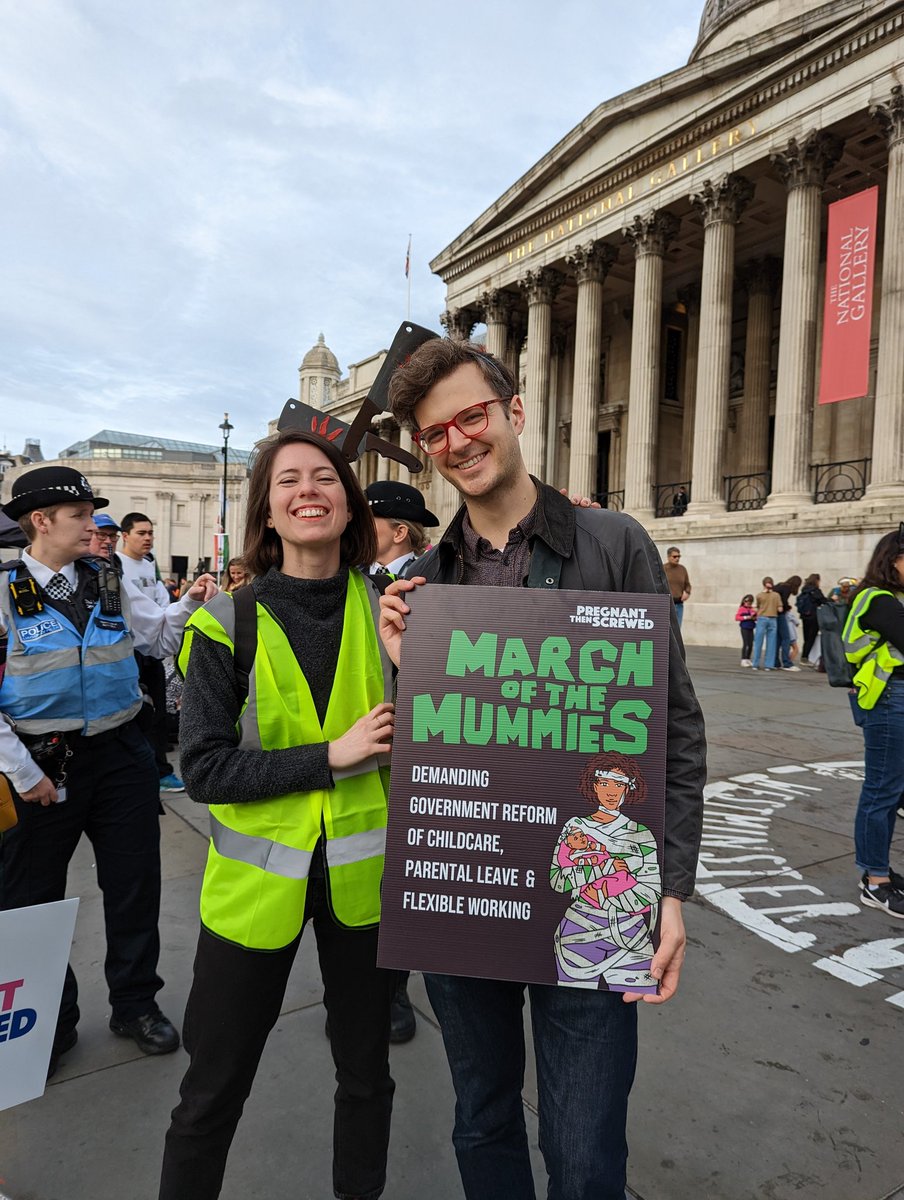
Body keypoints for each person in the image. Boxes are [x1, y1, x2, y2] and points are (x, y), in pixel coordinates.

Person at [379, 337, 705, 1200]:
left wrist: (671, 892)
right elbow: (428, 759)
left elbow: (673, 730)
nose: (458, 441)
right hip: (470, 902)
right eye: (435, 432)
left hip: (593, 910)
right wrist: (398, 665)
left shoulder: (612, 542)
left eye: (471, 416)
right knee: (481, 1118)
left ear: (513, 413)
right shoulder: (422, 581)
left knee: (586, 1148)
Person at [159, 429, 399, 1200]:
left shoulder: (395, 612)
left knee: (367, 1077)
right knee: (211, 1091)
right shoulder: (225, 622)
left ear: (348, 501)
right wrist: (332, 755)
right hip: (254, 896)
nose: (308, 491)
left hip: (364, 891)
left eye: (325, 478)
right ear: (266, 510)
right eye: (289, 479)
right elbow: (201, 768)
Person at [0, 466, 217, 1076]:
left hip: (121, 754)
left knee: (134, 884)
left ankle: (135, 1003)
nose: (93, 525)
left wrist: (187, 607)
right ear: (41, 521)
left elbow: (151, 638)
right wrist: (23, 773)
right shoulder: (2, 591)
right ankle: (49, 1022)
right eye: (79, 515)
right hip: (41, 763)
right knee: (29, 899)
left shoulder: (108, 577)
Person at [364, 479, 439, 1044]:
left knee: (411, 874)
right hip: (365, 743)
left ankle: (391, 991)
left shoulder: (443, 575)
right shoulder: (348, 581)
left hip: (427, 743)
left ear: (397, 531)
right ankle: (361, 987)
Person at [550, 754, 660, 992]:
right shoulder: (575, 827)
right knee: (575, 1010)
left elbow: (652, 889)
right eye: (605, 783)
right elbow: (558, 880)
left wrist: (605, 893)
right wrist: (603, 869)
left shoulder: (642, 834)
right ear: (593, 785)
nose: (611, 791)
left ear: (628, 789)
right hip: (579, 930)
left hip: (631, 933)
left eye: (619, 784)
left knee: (613, 1019)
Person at [842, 529, 904, 919]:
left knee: (892, 790)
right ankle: (875, 879)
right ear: (893, 560)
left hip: (891, 699)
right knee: (882, 790)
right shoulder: (878, 600)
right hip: (889, 700)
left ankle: (880, 872)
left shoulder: (890, 600)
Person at [118, 512, 184, 792]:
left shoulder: (149, 565)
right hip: (129, 650)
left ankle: (160, 771)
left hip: (153, 650)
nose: (147, 538)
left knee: (156, 713)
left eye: (150, 533)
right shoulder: (115, 566)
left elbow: (162, 603)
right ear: (125, 536)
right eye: (141, 533)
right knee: (133, 713)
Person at [365, 480, 439, 578]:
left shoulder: (430, 578)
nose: (358, 530)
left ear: (399, 533)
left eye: (367, 523)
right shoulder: (347, 575)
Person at [750, 577, 781, 671]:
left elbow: (757, 607)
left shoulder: (759, 595)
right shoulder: (776, 595)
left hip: (762, 618)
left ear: (763, 584)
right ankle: (769, 665)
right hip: (773, 618)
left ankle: (755, 663)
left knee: (758, 641)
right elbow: (780, 608)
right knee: (771, 643)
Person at [773, 575, 802, 670]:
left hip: (773, 614)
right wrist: (787, 607)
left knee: (777, 639)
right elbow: (783, 601)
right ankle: (787, 663)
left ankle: (775, 662)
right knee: (786, 638)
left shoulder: (779, 585)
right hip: (780, 614)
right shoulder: (787, 588)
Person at [797, 573, 827, 662]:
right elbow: (823, 600)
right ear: (817, 580)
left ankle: (804, 656)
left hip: (805, 616)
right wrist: (832, 599)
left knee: (806, 638)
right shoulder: (815, 590)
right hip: (814, 616)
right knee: (811, 638)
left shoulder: (804, 590)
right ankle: (805, 657)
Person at [662, 545, 691, 627]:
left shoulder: (682, 569)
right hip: (666, 604)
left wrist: (687, 592)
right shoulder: (663, 569)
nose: (677, 558)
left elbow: (687, 585)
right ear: (668, 557)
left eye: (679, 556)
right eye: (674, 556)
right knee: (666, 629)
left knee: (677, 628)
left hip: (679, 605)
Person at [735, 593, 757, 666]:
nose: (748, 603)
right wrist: (746, 617)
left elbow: (755, 617)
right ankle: (743, 659)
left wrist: (754, 617)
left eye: (750, 602)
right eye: (747, 601)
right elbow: (737, 618)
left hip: (751, 627)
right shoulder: (741, 609)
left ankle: (748, 658)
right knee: (746, 643)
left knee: (751, 644)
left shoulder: (752, 609)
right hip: (744, 627)